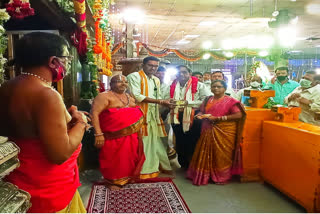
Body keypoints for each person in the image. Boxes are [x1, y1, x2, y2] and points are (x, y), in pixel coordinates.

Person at [0, 32, 88, 213]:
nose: (68, 63)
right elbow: (59, 154)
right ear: (53, 62)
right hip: (47, 186)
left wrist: (66, 119)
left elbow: (32, 128)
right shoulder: (46, 94)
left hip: (18, 180)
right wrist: (81, 123)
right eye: (67, 58)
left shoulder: (7, 87)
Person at [91, 75, 145, 189]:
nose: (123, 84)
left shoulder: (129, 97)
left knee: (130, 157)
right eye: (119, 81)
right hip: (112, 137)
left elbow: (135, 113)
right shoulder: (103, 96)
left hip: (130, 136)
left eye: (125, 82)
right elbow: (94, 113)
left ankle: (127, 177)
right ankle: (112, 181)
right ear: (111, 84)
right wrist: (98, 133)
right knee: (113, 158)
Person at [187, 80, 245, 185]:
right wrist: (199, 115)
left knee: (222, 154)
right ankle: (206, 175)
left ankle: (222, 176)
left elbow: (239, 115)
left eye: (219, 87)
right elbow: (202, 111)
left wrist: (218, 118)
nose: (216, 89)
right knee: (207, 152)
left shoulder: (230, 101)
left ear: (225, 88)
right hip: (207, 129)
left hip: (224, 132)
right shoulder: (207, 99)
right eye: (213, 87)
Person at [127, 56, 172, 179]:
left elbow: (159, 96)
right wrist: (161, 101)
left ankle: (154, 166)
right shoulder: (134, 76)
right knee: (143, 141)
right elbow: (136, 96)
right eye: (150, 65)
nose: (153, 68)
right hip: (139, 114)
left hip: (153, 115)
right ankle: (142, 169)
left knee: (153, 140)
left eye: (155, 66)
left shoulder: (156, 80)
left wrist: (164, 103)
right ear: (143, 65)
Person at [164, 65, 212, 168]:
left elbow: (206, 100)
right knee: (180, 139)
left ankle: (193, 164)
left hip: (194, 116)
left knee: (193, 139)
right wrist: (169, 102)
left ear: (189, 74)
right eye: (179, 72)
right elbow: (165, 98)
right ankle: (183, 163)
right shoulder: (171, 85)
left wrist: (188, 103)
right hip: (176, 116)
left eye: (184, 72)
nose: (181, 74)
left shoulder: (199, 85)